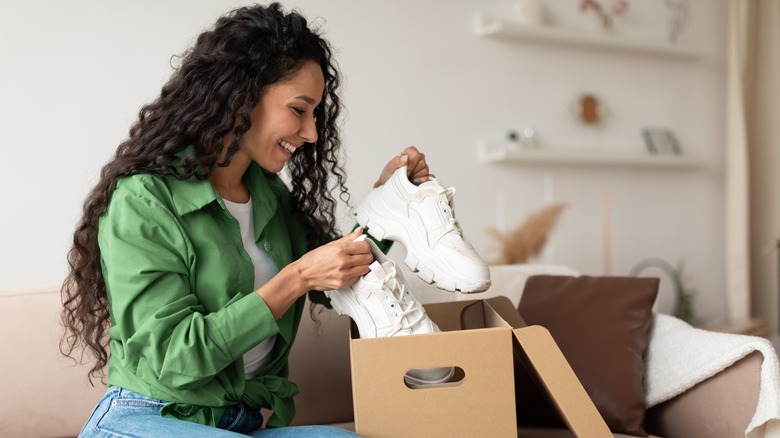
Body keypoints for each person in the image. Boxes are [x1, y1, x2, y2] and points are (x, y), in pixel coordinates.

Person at [60, 3, 431, 437]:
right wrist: (293, 280)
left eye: (315, 114)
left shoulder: (267, 194)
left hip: (238, 423)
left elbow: (338, 277)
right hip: (148, 417)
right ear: (241, 97)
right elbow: (173, 357)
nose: (312, 132)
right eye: (299, 110)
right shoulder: (144, 199)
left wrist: (388, 204)